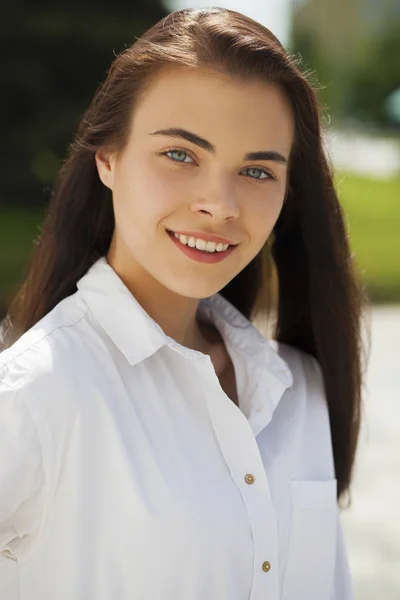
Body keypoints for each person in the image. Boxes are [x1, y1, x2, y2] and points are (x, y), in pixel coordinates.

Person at [0, 7, 370, 600]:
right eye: (180, 154)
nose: (219, 204)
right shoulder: (38, 394)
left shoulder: (299, 390)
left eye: (256, 170)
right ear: (108, 159)